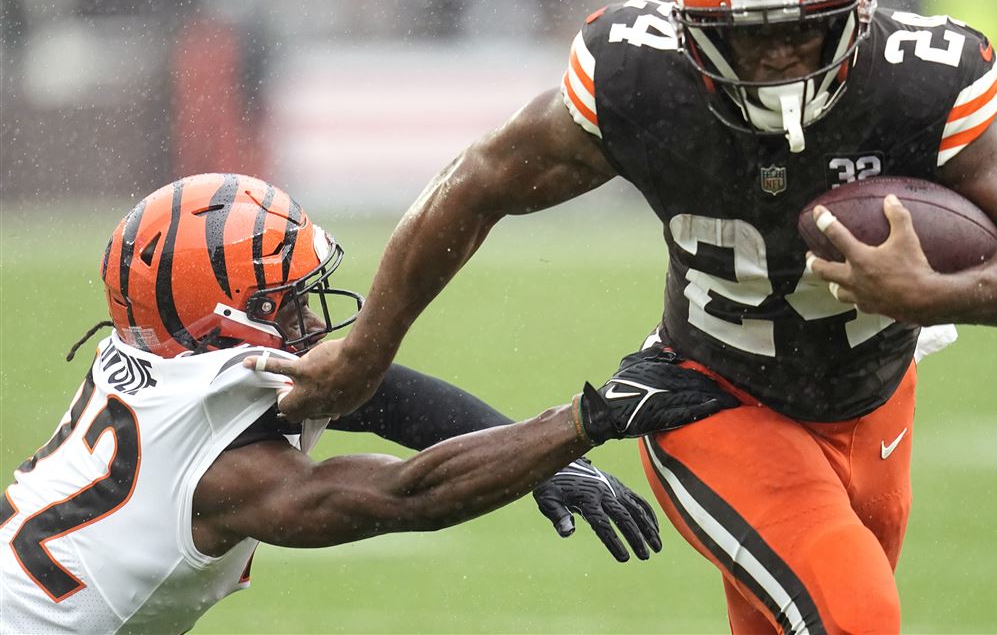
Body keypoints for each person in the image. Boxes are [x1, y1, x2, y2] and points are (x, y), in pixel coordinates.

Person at [256, 0, 997, 634]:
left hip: (875, 402)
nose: (781, 58)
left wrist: (944, 294)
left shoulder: (915, 82)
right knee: (854, 616)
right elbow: (480, 182)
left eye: (803, 29)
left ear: (858, 15)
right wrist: (369, 346)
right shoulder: (642, 79)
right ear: (691, 27)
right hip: (712, 399)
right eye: (751, 36)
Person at [0, 173, 738, 634]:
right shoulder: (228, 478)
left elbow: (374, 391)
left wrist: (540, 458)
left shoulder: (157, 352)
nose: (312, 323)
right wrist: (586, 422)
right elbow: (408, 494)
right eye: (285, 304)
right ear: (218, 320)